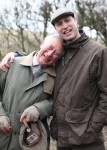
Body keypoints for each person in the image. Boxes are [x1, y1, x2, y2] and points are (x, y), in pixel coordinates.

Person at [1, 7, 107, 150]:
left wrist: (93, 127)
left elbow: (104, 95)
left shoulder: (97, 53)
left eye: (67, 20)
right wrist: (15, 55)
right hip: (59, 138)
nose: (65, 26)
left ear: (75, 21)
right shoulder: (14, 64)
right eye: (59, 23)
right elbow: (36, 61)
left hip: (85, 139)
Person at [0, 34, 63, 150]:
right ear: (42, 43)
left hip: (32, 141)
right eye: (49, 47)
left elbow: (59, 102)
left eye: (56, 53)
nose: (50, 54)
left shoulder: (58, 77)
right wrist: (1, 114)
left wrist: (39, 109)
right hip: (3, 137)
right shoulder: (12, 63)